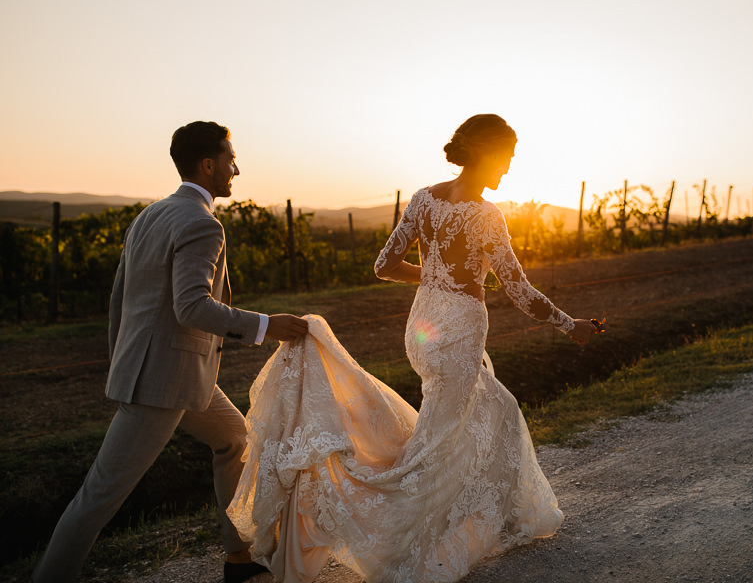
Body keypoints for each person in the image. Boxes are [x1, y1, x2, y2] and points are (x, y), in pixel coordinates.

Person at [226, 114, 602, 583]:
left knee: (499, 409)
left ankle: (492, 515)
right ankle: (396, 542)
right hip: (459, 332)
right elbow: (519, 290)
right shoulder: (487, 215)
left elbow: (385, 265)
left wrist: (435, 277)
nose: (506, 170)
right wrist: (572, 325)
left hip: (423, 327)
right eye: (504, 159)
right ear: (485, 154)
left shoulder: (425, 199)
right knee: (438, 444)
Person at [32, 121, 308, 583]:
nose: (235, 170)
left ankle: (239, 560)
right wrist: (266, 325)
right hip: (162, 383)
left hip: (173, 374)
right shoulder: (203, 224)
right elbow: (192, 306)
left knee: (234, 439)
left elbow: (121, 298)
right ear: (207, 165)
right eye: (229, 160)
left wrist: (123, 364)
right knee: (99, 494)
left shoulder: (150, 215)